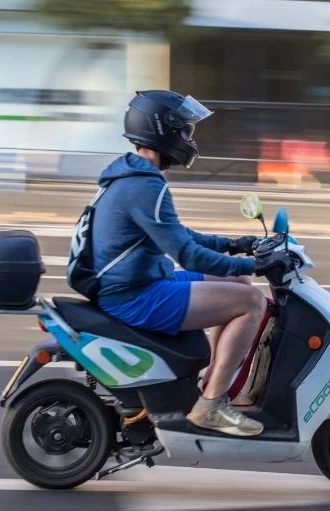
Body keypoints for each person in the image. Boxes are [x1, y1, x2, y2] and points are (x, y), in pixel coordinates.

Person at [86, 90, 285, 437]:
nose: (189, 139)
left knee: (238, 288)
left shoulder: (131, 177)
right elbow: (187, 254)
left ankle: (211, 383)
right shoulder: (144, 187)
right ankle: (212, 404)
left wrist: (235, 245)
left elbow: (177, 233)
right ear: (163, 129)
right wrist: (252, 266)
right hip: (135, 294)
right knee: (251, 301)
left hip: (137, 282)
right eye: (185, 131)